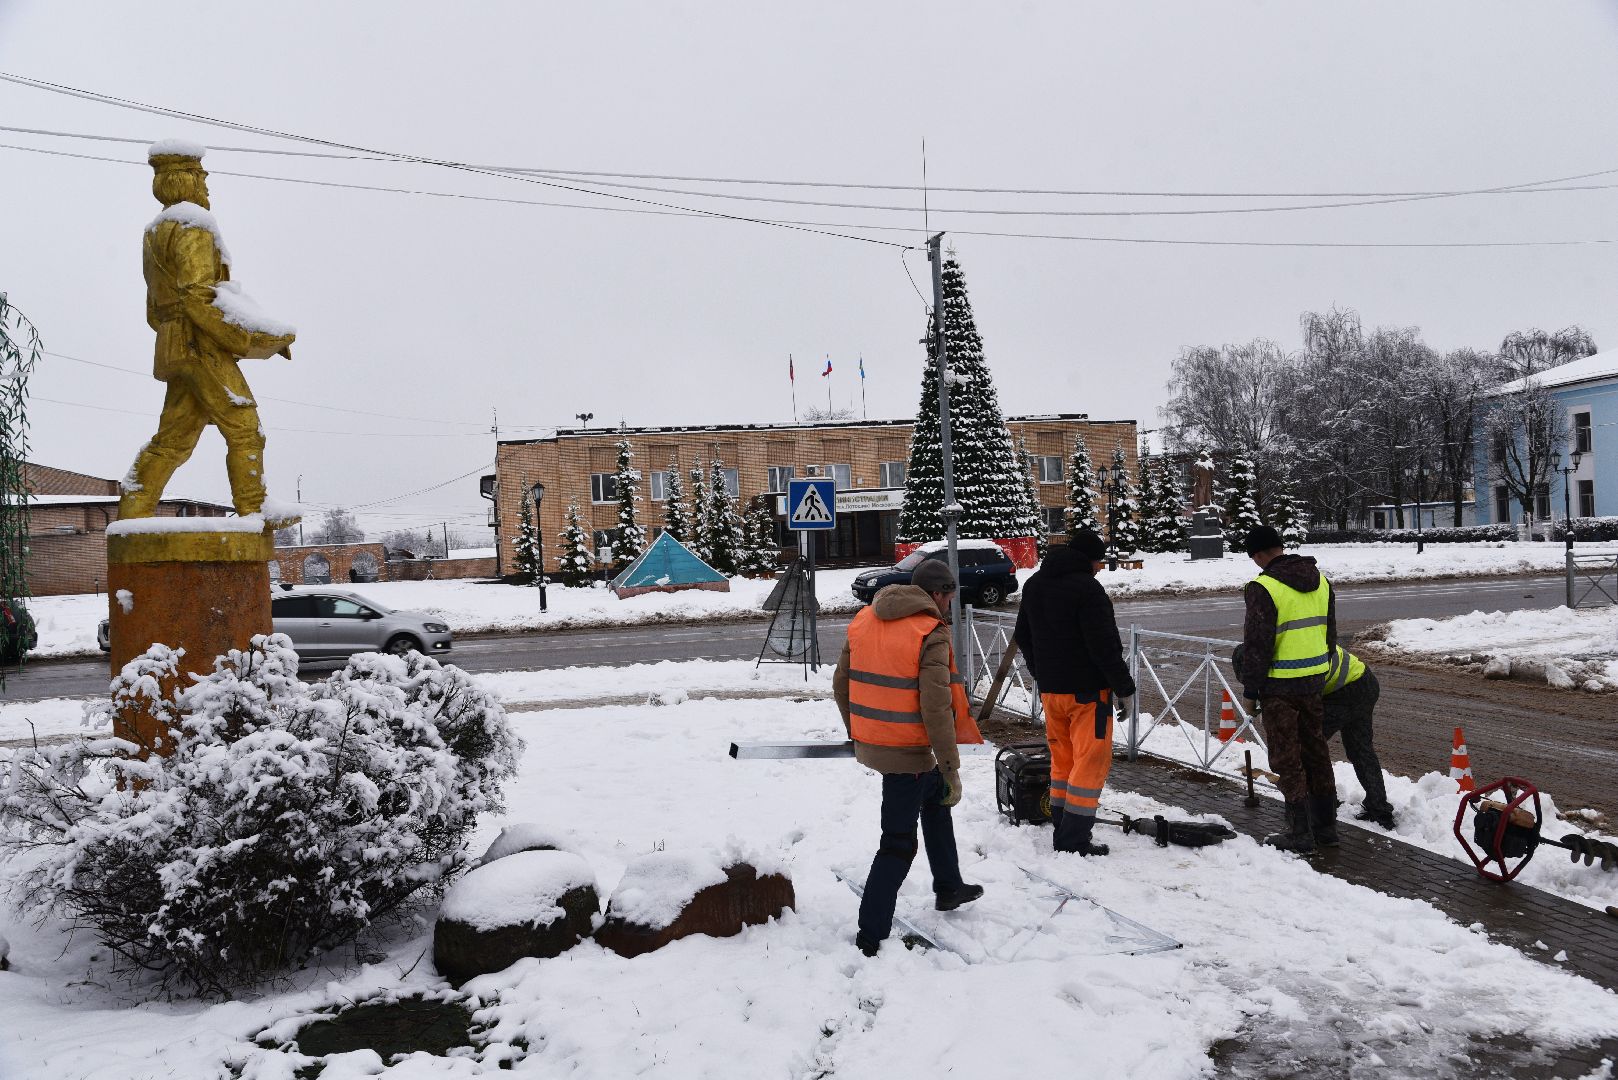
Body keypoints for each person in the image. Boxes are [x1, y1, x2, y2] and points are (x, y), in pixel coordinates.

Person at [119, 143, 297, 520]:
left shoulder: (154, 231)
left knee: (174, 440)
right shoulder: (194, 224)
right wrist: (246, 338)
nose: (206, 186)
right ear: (186, 181)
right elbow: (199, 295)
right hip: (198, 343)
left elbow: (155, 306)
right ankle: (254, 507)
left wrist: (173, 333)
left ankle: (133, 510)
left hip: (173, 344)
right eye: (201, 177)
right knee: (244, 425)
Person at [834, 558, 984, 956]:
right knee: (898, 844)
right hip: (908, 755)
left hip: (878, 742)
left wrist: (860, 731)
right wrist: (951, 767)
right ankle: (870, 934)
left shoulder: (864, 619)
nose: (949, 605)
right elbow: (936, 708)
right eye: (949, 598)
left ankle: (949, 887)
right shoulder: (929, 631)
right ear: (936, 594)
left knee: (936, 802)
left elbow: (840, 682)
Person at [1012, 527, 1136, 856]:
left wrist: (1042, 672)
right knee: (1090, 762)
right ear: (1088, 560)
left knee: (1062, 761)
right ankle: (1075, 838)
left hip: (1052, 693)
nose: (1100, 568)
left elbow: (1022, 635)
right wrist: (1124, 688)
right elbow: (1104, 647)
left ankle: (1061, 829)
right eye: (1098, 562)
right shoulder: (1088, 590)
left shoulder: (1034, 585)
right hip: (1087, 694)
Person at [1234, 525, 1337, 853]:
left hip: (1280, 685)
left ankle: (1299, 832)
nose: (1255, 563)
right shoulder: (1320, 580)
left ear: (1261, 554)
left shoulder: (1263, 587)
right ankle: (1326, 828)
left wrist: (1251, 691)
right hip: (1315, 680)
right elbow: (1330, 634)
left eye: (1254, 557)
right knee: (1316, 751)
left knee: (1286, 756)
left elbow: (1257, 644)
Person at [1322, 645, 1396, 830]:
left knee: (1311, 747)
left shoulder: (1289, 657)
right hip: (1365, 681)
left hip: (1344, 693)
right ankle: (1379, 809)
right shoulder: (1307, 636)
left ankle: (1323, 803)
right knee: (1361, 750)